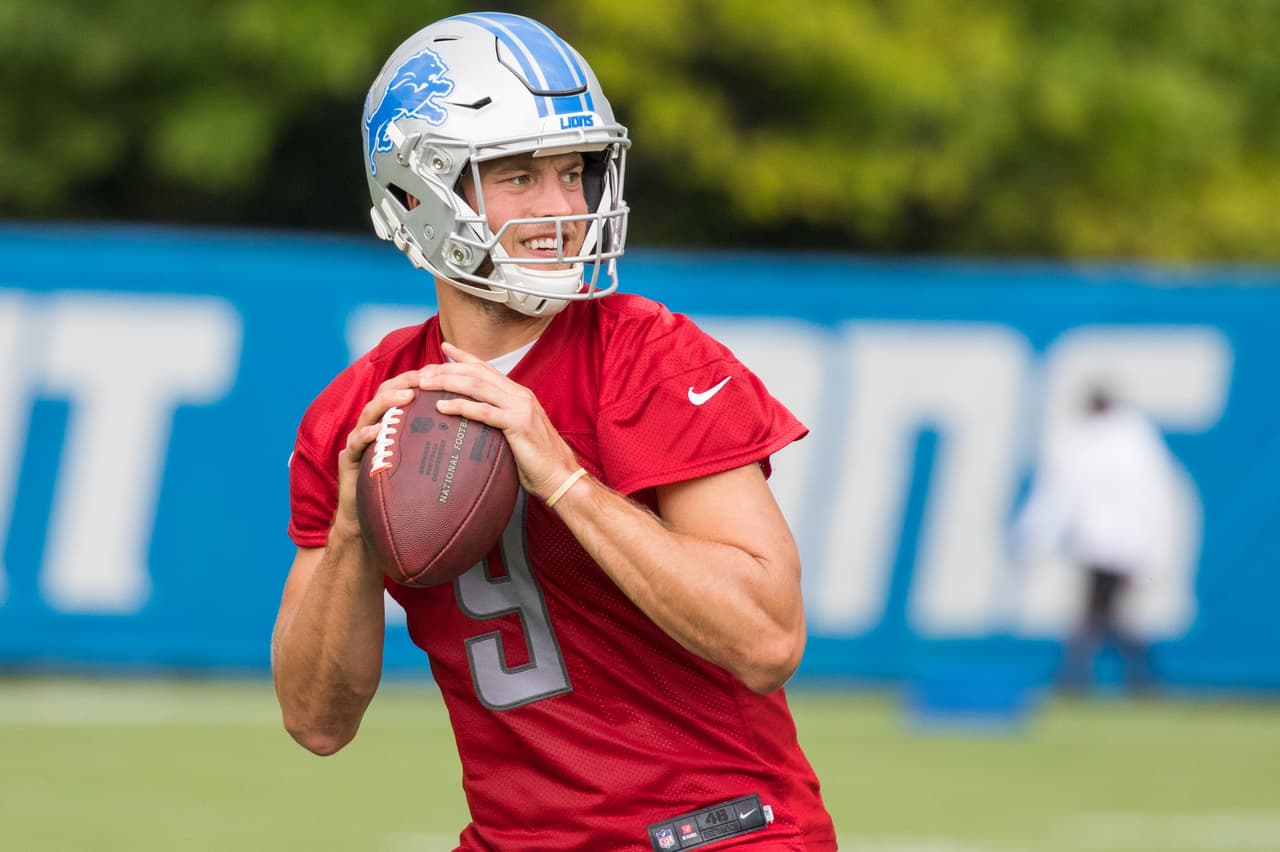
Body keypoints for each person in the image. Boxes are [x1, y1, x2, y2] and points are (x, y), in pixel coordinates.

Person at [272, 12, 837, 851]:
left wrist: (566, 478)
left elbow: (766, 639)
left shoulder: (650, 357)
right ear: (413, 194)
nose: (563, 208)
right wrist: (354, 532)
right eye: (517, 176)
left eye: (573, 173)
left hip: (715, 835)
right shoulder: (366, 407)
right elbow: (316, 721)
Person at [1010, 383, 1176, 694]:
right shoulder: (1139, 444)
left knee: (1100, 614)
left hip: (1103, 545)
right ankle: (1124, 677)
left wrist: (1034, 539)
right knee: (1105, 613)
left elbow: (1058, 497)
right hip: (1119, 546)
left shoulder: (1090, 445)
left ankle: (1084, 676)